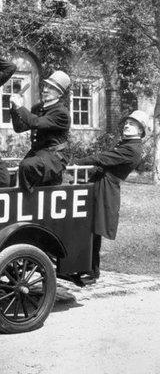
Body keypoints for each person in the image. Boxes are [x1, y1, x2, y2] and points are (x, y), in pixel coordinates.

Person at [73, 110, 147, 282]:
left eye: (133, 124)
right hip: (102, 184)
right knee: (89, 226)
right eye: (127, 123)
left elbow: (103, 159)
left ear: (141, 131)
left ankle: (92, 271)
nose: (127, 126)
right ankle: (86, 267)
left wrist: (77, 162)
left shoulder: (132, 149)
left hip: (107, 187)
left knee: (95, 228)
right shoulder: (126, 144)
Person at [9, 70, 71, 193]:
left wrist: (20, 107)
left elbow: (36, 123)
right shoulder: (37, 108)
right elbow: (19, 128)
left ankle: (27, 202)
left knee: (27, 166)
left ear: (59, 94)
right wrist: (14, 109)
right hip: (38, 154)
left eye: (52, 88)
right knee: (14, 177)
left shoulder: (61, 113)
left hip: (55, 156)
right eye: (46, 86)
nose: (46, 90)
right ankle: (25, 201)